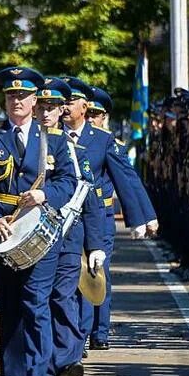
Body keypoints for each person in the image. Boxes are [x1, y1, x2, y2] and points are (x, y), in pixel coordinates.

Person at [0, 67, 76, 376]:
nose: (17, 101)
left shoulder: (53, 140)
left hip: (41, 234)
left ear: (35, 101)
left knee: (36, 303)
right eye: (12, 96)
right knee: (10, 307)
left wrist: (45, 195)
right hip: (3, 233)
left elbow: (70, 182)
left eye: (24, 96)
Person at [60, 77, 157, 350]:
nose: (91, 119)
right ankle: (76, 334)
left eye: (95, 114)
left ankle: (98, 332)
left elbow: (128, 181)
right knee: (69, 275)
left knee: (95, 271)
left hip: (98, 216)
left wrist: (141, 217)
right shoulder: (54, 136)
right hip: (64, 217)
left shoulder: (104, 141)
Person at [34, 78, 104, 376]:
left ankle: (68, 360)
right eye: (42, 106)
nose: (46, 112)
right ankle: (46, 368)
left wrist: (96, 246)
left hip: (67, 236)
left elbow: (87, 198)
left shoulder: (73, 149)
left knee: (61, 297)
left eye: (52, 107)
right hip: (34, 237)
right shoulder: (25, 143)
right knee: (40, 301)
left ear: (63, 109)